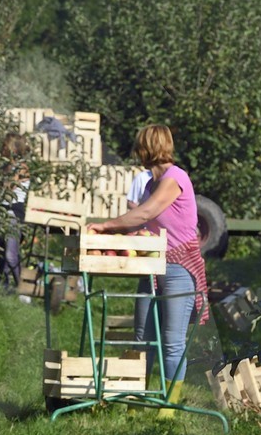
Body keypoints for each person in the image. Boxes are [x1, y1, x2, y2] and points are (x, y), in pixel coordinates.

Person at [84, 125, 209, 403]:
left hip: (178, 268)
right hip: (151, 266)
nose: (136, 151)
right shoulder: (151, 184)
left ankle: (169, 402)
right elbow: (143, 224)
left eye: (138, 146)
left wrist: (105, 226)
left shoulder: (175, 178)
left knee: (171, 340)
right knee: (142, 337)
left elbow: (146, 213)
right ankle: (137, 396)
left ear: (146, 148)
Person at [0, 132, 30, 287]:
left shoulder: (20, 168)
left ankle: (19, 286)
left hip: (13, 214)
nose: (1, 148)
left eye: (5, 145)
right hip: (1, 212)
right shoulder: (6, 166)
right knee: (0, 252)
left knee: (10, 255)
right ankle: (3, 287)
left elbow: (8, 188)